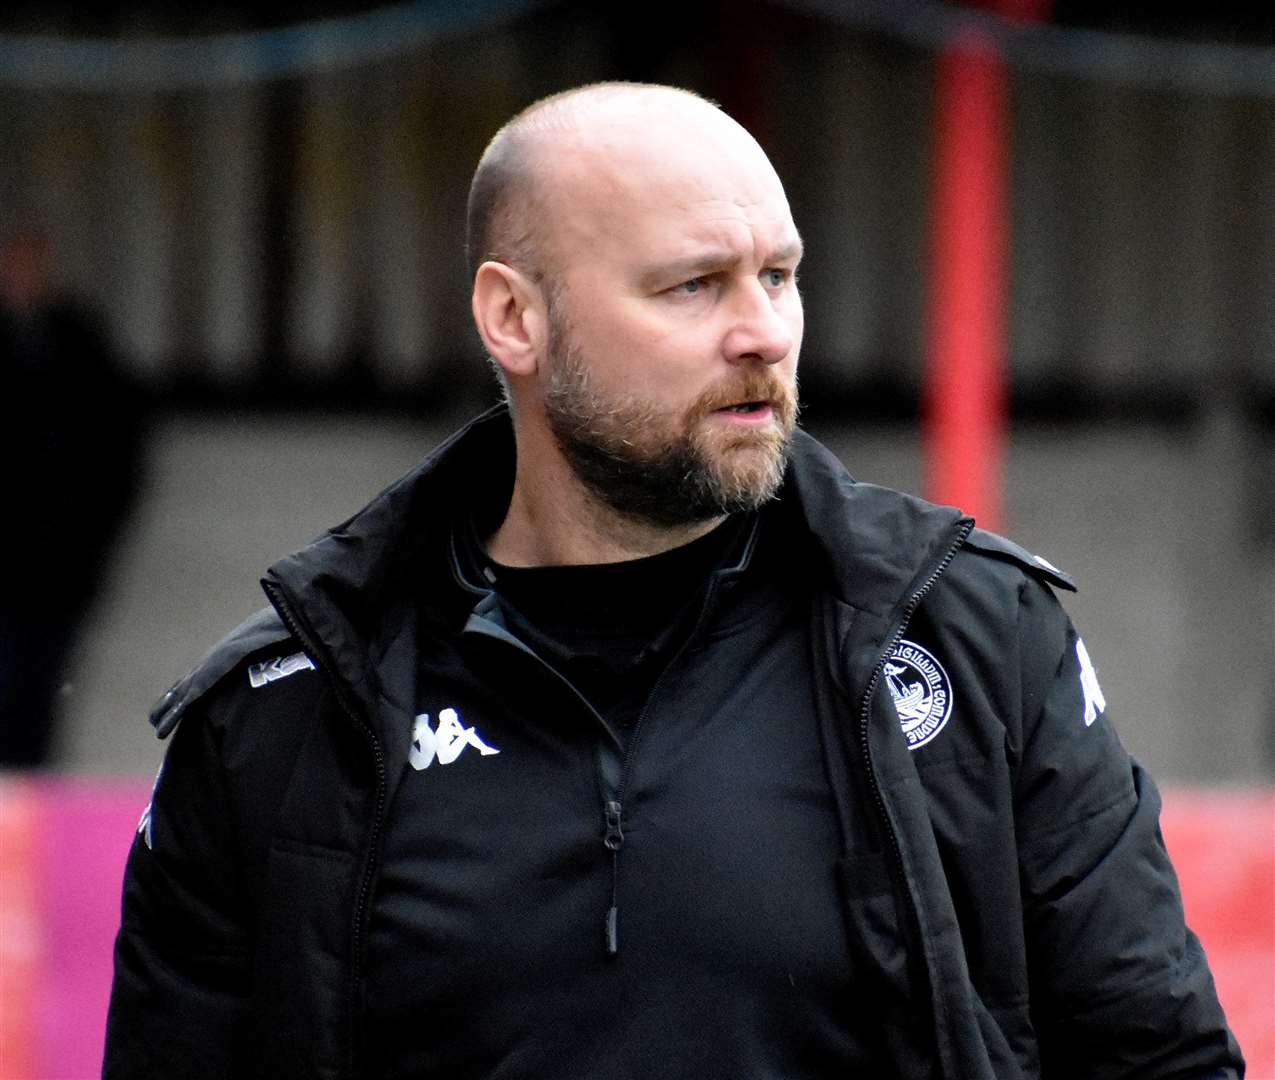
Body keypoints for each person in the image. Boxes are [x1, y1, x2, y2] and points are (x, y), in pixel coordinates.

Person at [103, 82, 1243, 1079]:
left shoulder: (977, 639)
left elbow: (1157, 1052)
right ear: (515, 318)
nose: (763, 332)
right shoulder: (282, 709)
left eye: (779, 275)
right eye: (693, 286)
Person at [0, 227, 146, 767]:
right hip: (23, 559)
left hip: (56, 565)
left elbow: (117, 448)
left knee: (37, 698)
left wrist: (88, 541)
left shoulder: (80, 345)